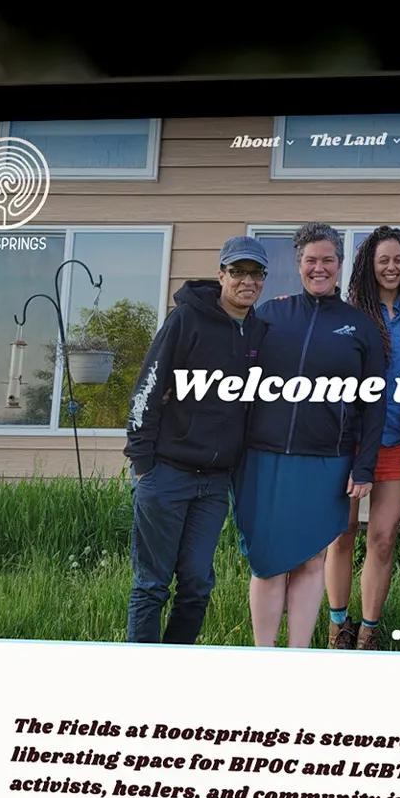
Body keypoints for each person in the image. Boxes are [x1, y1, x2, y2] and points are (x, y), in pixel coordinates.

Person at [238, 223, 386, 647]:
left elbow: (375, 404)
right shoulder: (269, 315)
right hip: (264, 457)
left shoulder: (360, 327)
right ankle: (264, 655)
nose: (319, 268)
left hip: (327, 461)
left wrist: (364, 465)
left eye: (327, 260)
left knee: (311, 558)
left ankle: (298, 655)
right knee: (267, 560)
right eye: (310, 260)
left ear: (340, 264)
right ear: (298, 263)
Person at [122, 236, 270, 644]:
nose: (247, 281)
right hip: (166, 473)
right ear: (221, 275)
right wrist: (142, 463)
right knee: (152, 585)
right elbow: (148, 387)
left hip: (214, 484)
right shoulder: (186, 319)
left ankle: (177, 666)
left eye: (256, 273)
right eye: (238, 271)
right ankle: (138, 671)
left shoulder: (259, 332)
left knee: (197, 586)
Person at [323, 226, 400, 650]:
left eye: (399, 260)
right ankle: (338, 626)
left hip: (397, 442)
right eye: (383, 260)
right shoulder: (352, 314)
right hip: (350, 442)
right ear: (369, 266)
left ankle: (369, 631)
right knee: (342, 533)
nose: (392, 267)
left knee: (384, 538)